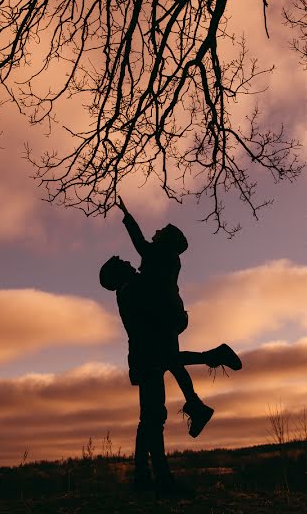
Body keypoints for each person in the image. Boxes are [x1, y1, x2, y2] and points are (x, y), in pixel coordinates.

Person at [99, 256, 238, 493]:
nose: (126, 260)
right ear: (117, 273)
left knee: (149, 421)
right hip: (147, 357)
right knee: (153, 420)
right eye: (120, 262)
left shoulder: (129, 289)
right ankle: (161, 480)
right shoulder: (132, 289)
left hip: (144, 358)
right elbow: (154, 319)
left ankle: (143, 479)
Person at [115, 197, 241, 436]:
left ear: (166, 239)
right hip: (171, 314)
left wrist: (127, 216)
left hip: (165, 316)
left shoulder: (160, 253)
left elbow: (140, 243)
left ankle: (214, 356)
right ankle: (196, 405)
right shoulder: (169, 257)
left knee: (170, 359)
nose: (156, 231)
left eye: (160, 230)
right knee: (171, 361)